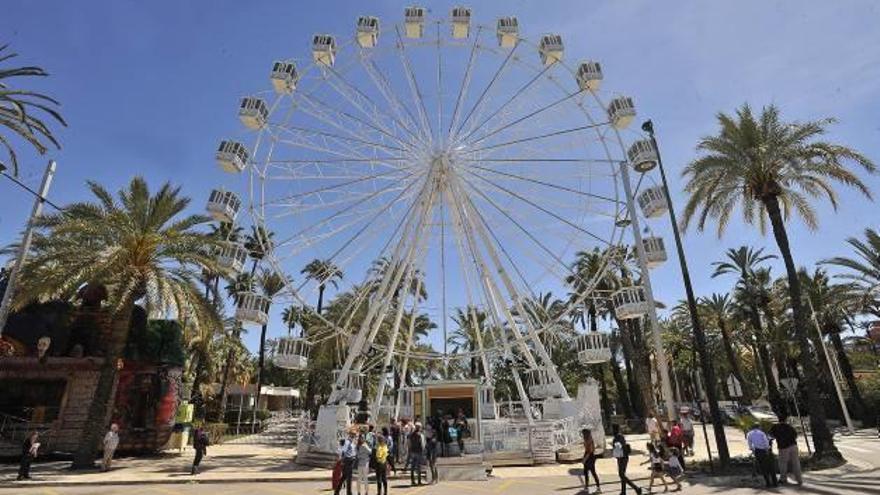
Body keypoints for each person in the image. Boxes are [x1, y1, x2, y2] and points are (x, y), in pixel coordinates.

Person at [770, 414, 802, 486]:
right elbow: (795, 435)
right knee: (796, 462)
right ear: (786, 419)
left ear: (778, 419)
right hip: (793, 445)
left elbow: (771, 436)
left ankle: (783, 479)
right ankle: (799, 479)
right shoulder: (790, 427)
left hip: (783, 447)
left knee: (782, 463)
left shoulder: (775, 427)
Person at [611, 424, 642, 495]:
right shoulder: (619, 436)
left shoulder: (617, 437)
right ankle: (623, 491)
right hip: (622, 457)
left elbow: (619, 447)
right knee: (622, 474)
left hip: (622, 457)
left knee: (621, 475)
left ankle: (636, 488)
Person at [746, 423, 777, 488]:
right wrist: (767, 450)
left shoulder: (749, 434)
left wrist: (753, 450)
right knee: (771, 466)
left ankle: (768, 483)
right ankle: (775, 483)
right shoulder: (761, 433)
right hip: (765, 451)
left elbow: (749, 444)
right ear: (759, 427)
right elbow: (766, 442)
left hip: (758, 451)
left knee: (763, 467)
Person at [335, 430, 358, 495]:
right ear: (350, 435)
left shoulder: (352, 442)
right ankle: (349, 493)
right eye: (353, 435)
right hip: (347, 461)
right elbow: (343, 451)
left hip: (351, 460)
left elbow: (353, 451)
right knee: (349, 478)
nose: (354, 436)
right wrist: (342, 461)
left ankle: (337, 491)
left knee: (344, 477)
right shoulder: (347, 442)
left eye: (355, 435)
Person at [581, 428, 601, 493]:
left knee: (593, 472)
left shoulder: (590, 440)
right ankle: (586, 487)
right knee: (586, 472)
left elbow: (590, 451)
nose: (582, 435)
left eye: (583, 433)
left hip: (590, 457)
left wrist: (585, 459)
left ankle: (598, 488)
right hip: (588, 456)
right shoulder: (586, 440)